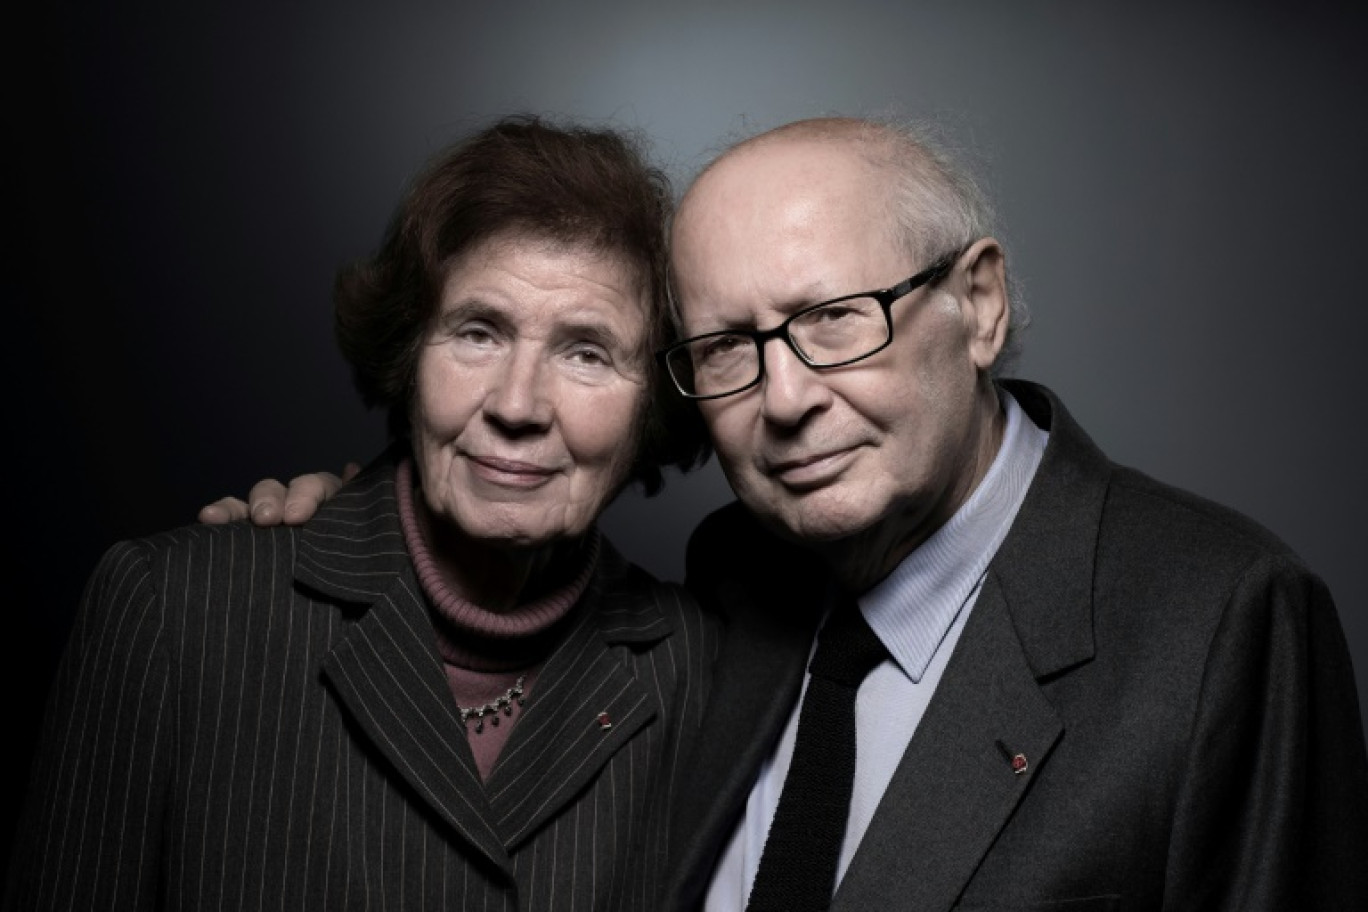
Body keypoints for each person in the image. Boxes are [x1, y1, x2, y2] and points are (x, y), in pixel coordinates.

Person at [201, 117, 1368, 909]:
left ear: (980, 303)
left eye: (833, 320)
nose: (789, 399)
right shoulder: (731, 581)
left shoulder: (1221, 622)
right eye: (729, 348)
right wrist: (366, 520)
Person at [4, 116, 716, 911]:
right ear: (409, 356)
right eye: (477, 333)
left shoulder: (703, 671)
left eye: (586, 352)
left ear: (655, 401)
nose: (518, 406)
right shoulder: (176, 612)